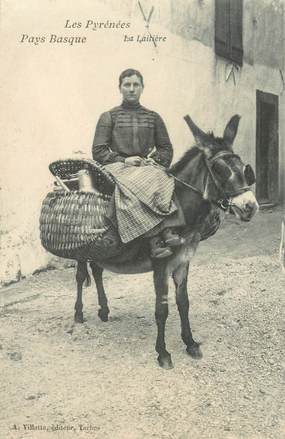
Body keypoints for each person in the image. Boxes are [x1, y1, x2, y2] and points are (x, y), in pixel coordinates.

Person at [92, 68, 184, 258]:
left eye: (136, 85)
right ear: (120, 88)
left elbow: (166, 148)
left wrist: (154, 160)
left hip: (146, 167)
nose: (131, 89)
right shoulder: (108, 117)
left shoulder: (153, 117)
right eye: (127, 85)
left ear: (142, 88)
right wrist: (124, 159)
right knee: (130, 188)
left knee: (164, 177)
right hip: (118, 167)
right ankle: (154, 239)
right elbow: (98, 151)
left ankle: (169, 229)